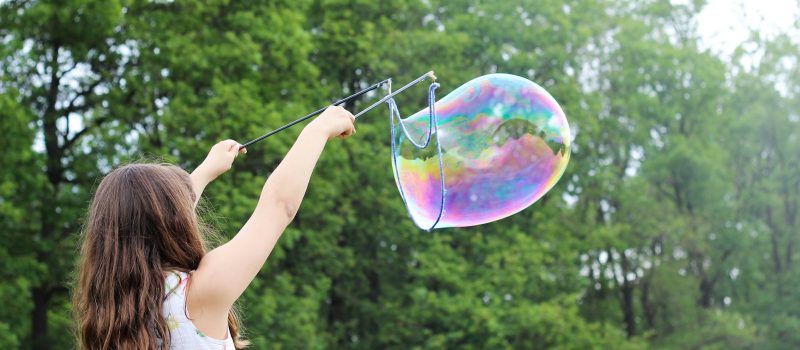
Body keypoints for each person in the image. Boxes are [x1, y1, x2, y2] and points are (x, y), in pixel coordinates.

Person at [73, 106, 357, 349]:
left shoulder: (110, 316)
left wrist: (207, 170)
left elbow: (160, 218)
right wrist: (318, 129)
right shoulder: (196, 295)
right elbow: (278, 205)